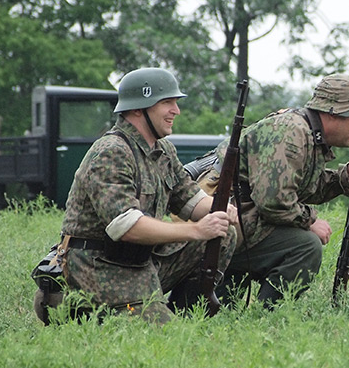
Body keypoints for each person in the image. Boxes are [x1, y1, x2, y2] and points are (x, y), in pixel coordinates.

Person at [33, 67, 239, 324]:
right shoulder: (111, 151)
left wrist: (223, 210)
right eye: (167, 103)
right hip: (97, 271)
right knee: (167, 341)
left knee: (224, 233)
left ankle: (189, 317)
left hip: (139, 264)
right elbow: (127, 227)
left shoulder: (163, 149)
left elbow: (190, 199)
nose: (176, 110)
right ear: (138, 109)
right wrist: (197, 230)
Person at [219, 74, 349, 307]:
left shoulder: (307, 132)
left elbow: (301, 186)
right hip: (225, 220)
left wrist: (345, 179)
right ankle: (265, 318)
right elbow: (273, 201)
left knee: (207, 311)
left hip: (239, 218)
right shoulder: (292, 133)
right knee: (305, 246)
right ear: (334, 112)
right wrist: (310, 221)